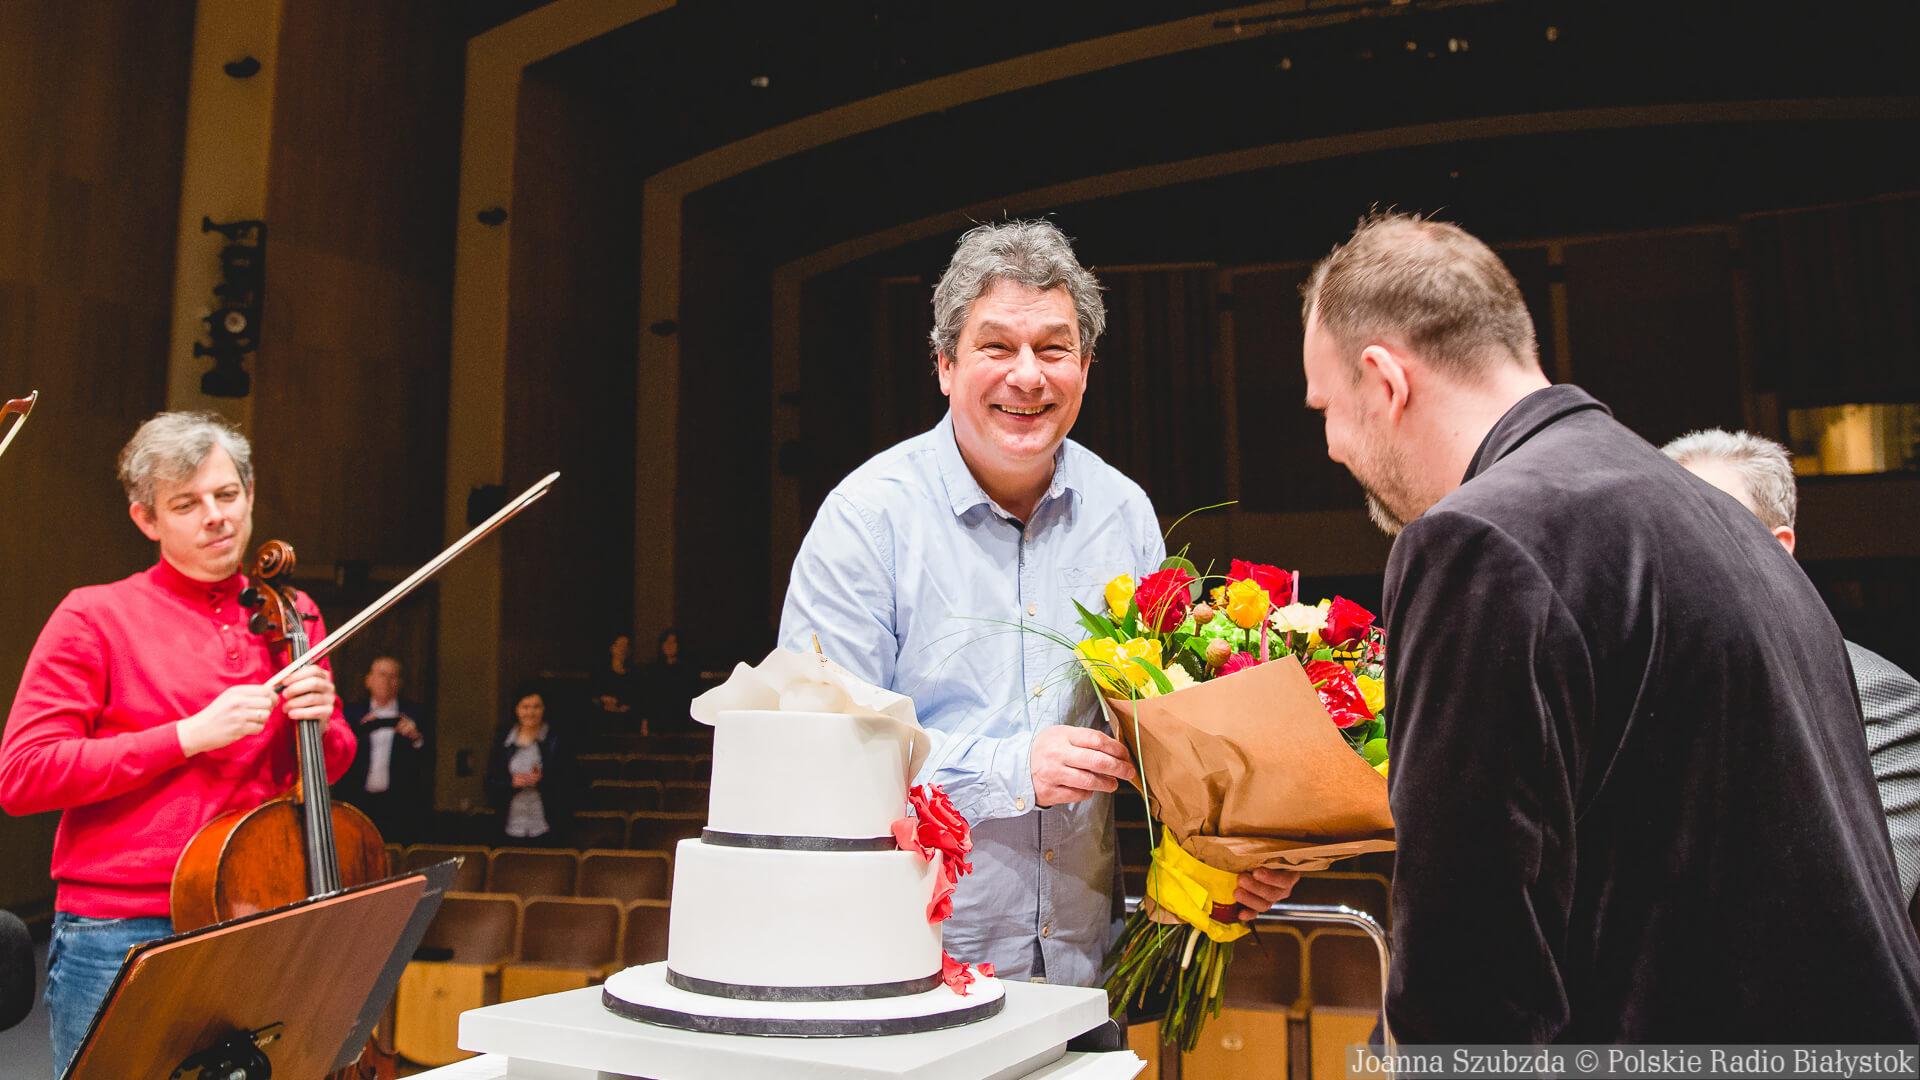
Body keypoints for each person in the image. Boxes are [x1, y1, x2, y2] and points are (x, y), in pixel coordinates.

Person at [1300, 210, 1920, 1041]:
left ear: (1384, 380)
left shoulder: (1482, 537)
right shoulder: (1719, 520)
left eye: (1326, 408)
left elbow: (1471, 967)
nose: (1334, 445)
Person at [779, 219, 1295, 987]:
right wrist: (1010, 768)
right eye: (996, 347)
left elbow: (1171, 737)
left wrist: (1238, 849)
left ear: (1085, 367)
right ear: (945, 364)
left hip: (1083, 971)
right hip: (910, 962)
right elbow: (820, 756)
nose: (1029, 375)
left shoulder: (1124, 514)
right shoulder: (866, 521)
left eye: (1054, 349)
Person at [0, 411, 350, 1072]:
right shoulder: (94, 616)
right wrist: (186, 736)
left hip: (260, 914)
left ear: (248, 495)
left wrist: (324, 723)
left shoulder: (294, 615)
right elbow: (24, 775)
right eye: (186, 504)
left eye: (227, 495)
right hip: (126, 929)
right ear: (147, 520)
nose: (215, 516)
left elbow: (325, 766)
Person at [1663, 428, 1920, 910]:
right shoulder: (1625, 691)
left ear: (1777, 549)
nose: (1677, 550)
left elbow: (1860, 914)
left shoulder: (1877, 698)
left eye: (1707, 524)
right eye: (1662, 528)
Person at [332, 656, 432, 844]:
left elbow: (430, 759)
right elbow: (335, 753)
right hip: (357, 802)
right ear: (368, 680)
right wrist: (358, 732)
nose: (386, 681)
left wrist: (415, 737)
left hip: (399, 805)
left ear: (400, 682)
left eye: (392, 676)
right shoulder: (350, 713)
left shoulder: (415, 713)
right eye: (381, 675)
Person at [484, 689, 576, 846]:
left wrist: (544, 779)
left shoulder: (557, 741)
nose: (530, 712)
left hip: (545, 824)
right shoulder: (503, 742)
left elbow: (570, 783)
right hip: (511, 825)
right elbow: (489, 783)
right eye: (525, 707)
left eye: (536, 707)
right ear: (517, 710)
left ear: (544, 709)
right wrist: (510, 783)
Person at [641, 628, 699, 736]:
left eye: (673, 642)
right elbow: (648, 697)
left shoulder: (688, 670)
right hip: (657, 722)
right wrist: (645, 722)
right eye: (666, 642)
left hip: (679, 722)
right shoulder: (653, 669)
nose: (669, 645)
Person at [589, 633, 639, 721]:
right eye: (619, 645)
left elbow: (638, 700)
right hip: (603, 719)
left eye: (626, 646)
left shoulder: (635, 675)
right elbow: (592, 696)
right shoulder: (600, 673)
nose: (623, 649)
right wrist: (603, 702)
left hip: (627, 720)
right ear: (612, 648)